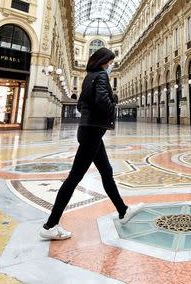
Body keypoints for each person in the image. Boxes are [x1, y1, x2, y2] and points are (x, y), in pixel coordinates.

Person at [40, 47, 143, 240]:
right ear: (103, 61)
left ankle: (123, 211)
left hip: (88, 130)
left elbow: (80, 104)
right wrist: (113, 107)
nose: (110, 66)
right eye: (110, 62)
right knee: (74, 178)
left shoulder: (89, 77)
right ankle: (50, 225)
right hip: (92, 132)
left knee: (106, 172)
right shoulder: (102, 76)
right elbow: (103, 99)